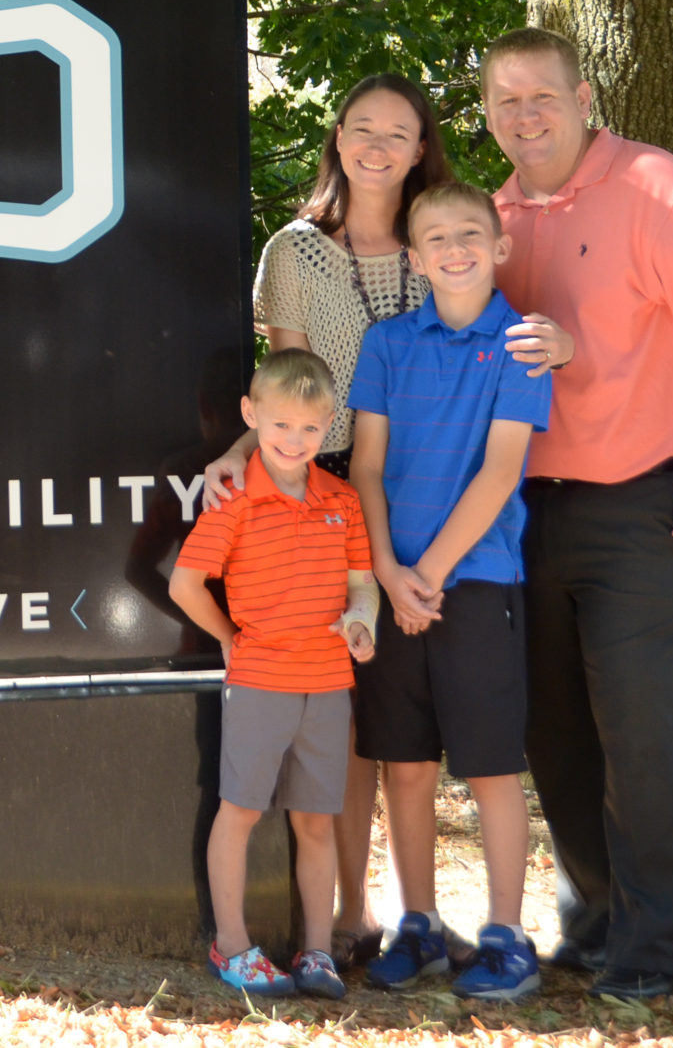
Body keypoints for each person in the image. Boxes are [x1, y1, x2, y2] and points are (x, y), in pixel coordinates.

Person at [204, 73, 571, 968]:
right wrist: (244, 455)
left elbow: (514, 355)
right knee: (355, 716)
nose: (376, 145)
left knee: (393, 723)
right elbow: (285, 379)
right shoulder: (294, 249)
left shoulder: (441, 238)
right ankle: (355, 913)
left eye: (397, 132)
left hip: (433, 503)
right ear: (337, 138)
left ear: (421, 147)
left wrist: (559, 341)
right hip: (325, 481)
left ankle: (422, 916)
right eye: (360, 128)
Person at [482, 27, 673, 1001]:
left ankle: (655, 948)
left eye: (540, 98)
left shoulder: (656, 189)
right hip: (526, 511)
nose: (523, 116)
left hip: (651, 499)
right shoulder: (490, 217)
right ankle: (598, 921)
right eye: (503, 101)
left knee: (637, 725)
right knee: (551, 728)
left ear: (585, 97)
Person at [346, 182, 554, 1001]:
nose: (455, 247)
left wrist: (426, 575)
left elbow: (502, 469)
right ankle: (421, 923)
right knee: (404, 765)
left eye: (472, 232)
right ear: (414, 256)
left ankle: (506, 935)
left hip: (475, 584)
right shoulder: (388, 342)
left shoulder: (520, 342)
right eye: (436, 237)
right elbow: (365, 466)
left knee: (492, 766)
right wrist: (391, 572)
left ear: (500, 246)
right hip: (394, 583)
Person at [171, 348, 380, 999]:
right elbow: (185, 584)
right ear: (250, 415)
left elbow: (363, 584)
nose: (295, 439)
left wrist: (362, 623)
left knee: (315, 819)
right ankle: (231, 945)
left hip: (328, 683)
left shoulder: (341, 499)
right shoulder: (233, 497)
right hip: (261, 680)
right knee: (239, 810)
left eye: (311, 428)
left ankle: (317, 951)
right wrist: (230, 637)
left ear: (329, 427)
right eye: (281, 424)